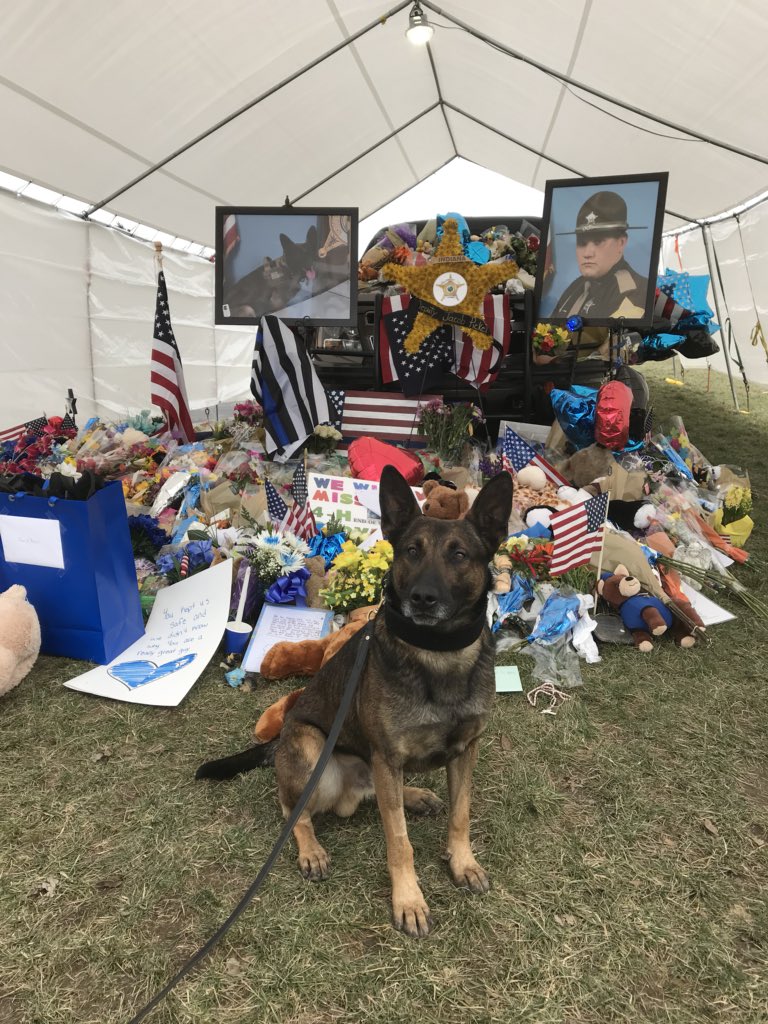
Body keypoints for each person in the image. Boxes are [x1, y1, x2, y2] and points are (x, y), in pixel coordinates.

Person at [550, 191, 649, 319]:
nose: (587, 253)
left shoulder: (634, 292)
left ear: (621, 243)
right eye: (582, 243)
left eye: (598, 242)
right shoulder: (576, 287)